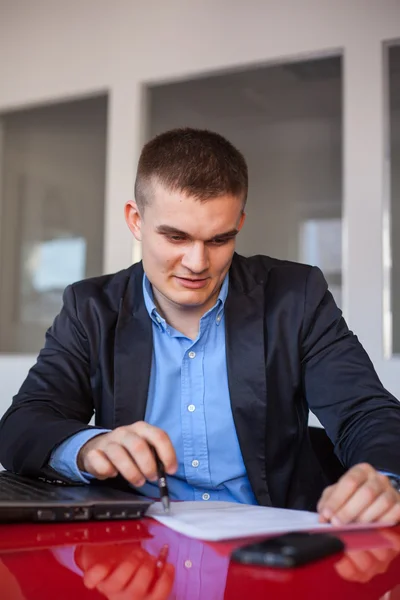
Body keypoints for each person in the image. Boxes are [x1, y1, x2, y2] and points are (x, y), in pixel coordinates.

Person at [1, 128, 400, 526]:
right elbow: (23, 424)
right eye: (176, 237)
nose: (197, 262)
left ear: (239, 222)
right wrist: (90, 447)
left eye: (219, 239)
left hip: (269, 542)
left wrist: (383, 479)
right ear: (136, 220)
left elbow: (366, 411)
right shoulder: (90, 308)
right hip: (134, 546)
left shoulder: (296, 297)